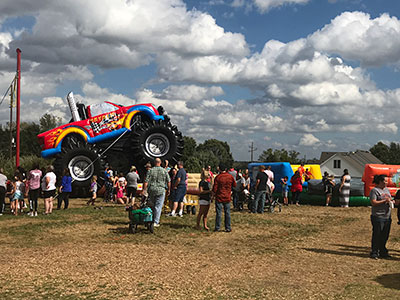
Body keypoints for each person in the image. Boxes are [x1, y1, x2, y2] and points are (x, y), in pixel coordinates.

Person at [369, 175, 395, 259]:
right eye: (385, 181)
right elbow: (373, 202)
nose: (387, 183)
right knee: (377, 234)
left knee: (385, 235)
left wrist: (391, 201)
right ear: (380, 181)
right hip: (378, 216)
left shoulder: (386, 190)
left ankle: (383, 251)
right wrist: (384, 201)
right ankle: (374, 252)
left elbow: (389, 198)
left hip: (387, 216)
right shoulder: (374, 190)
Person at [143, 158, 170, 227]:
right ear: (160, 163)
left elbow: (146, 181)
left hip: (151, 189)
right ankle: (156, 221)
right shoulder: (164, 171)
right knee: (158, 206)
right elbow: (168, 181)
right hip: (161, 190)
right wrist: (169, 190)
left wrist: (144, 190)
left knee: (152, 205)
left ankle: (150, 219)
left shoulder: (150, 171)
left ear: (154, 163)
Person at [212, 163, 236, 232]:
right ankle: (228, 227)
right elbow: (234, 185)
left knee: (219, 213)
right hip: (227, 196)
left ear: (219, 169)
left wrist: (212, 195)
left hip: (219, 196)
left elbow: (215, 188)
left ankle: (217, 227)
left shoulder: (218, 177)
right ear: (225, 169)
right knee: (227, 212)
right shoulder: (230, 177)